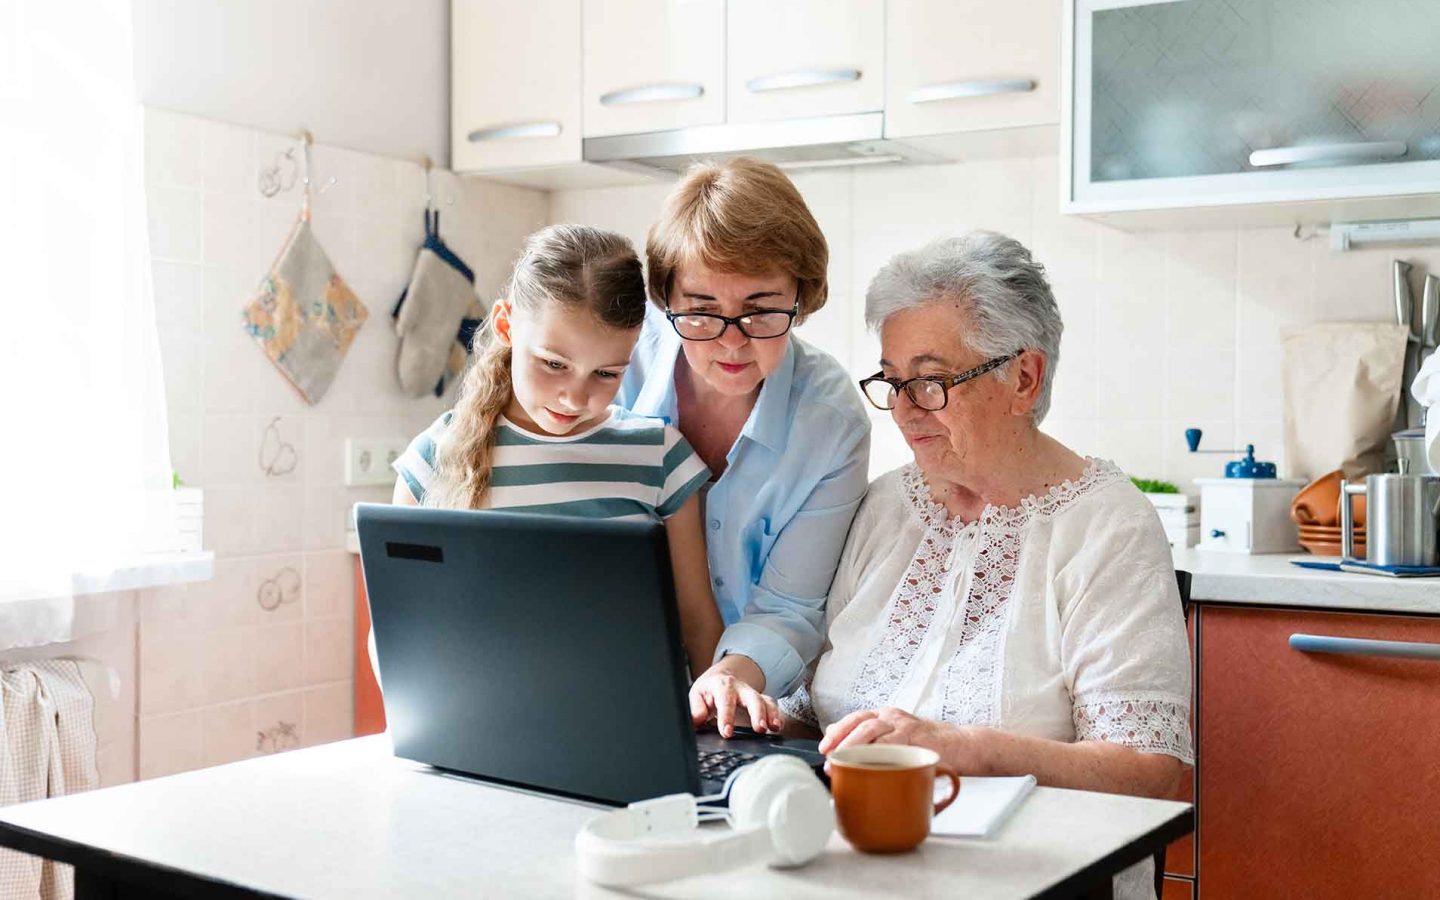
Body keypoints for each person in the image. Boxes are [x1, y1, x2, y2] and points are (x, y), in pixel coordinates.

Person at [783, 232, 1191, 900]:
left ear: (1022, 378)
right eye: (892, 381)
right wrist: (763, 710)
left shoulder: (1107, 526)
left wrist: (972, 749)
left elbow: (1148, 770)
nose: (905, 411)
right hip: (858, 869)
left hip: (1035, 880)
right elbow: (821, 700)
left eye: (931, 380)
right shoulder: (886, 505)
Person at [391, 224, 722, 676]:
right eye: (553, 364)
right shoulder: (434, 459)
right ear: (506, 325)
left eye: (606, 374)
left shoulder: (659, 457)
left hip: (633, 729)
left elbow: (700, 625)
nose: (574, 397)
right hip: (485, 729)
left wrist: (716, 738)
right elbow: (398, 628)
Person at [617, 158, 871, 737]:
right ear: (666, 298)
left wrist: (728, 678)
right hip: (612, 678)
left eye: (759, 310)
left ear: (800, 297)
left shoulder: (830, 424)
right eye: (702, 310)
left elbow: (789, 609)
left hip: (747, 706)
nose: (731, 343)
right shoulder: (614, 368)